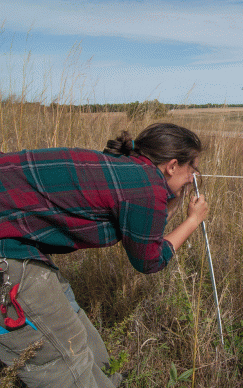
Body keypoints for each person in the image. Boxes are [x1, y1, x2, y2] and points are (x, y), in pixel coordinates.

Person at [0, 122, 209, 387]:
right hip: (7, 251)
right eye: (193, 169)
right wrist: (192, 221)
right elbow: (149, 259)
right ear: (172, 165)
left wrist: (173, 200)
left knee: (76, 327)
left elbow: (145, 231)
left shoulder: (129, 171)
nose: (194, 178)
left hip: (19, 242)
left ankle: (110, 381)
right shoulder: (146, 186)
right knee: (61, 362)